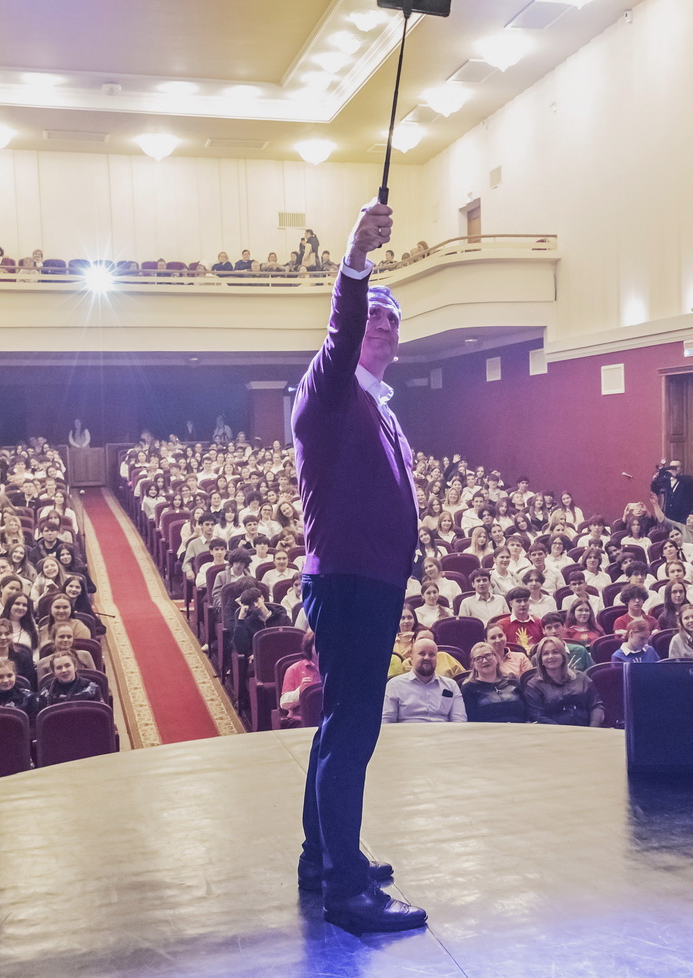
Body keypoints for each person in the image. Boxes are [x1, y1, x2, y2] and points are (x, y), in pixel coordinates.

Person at [290, 199, 424, 931]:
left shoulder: (385, 411)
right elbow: (340, 333)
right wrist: (355, 262)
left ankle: (325, 857)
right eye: (373, 314)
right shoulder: (330, 391)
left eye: (393, 319)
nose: (383, 324)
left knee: (341, 726)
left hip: (370, 582)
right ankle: (347, 891)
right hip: (347, 580)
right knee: (352, 732)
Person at [523, 636, 604, 726]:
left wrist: (593, 728)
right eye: (545, 654)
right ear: (540, 660)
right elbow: (537, 716)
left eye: (555, 652)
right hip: (552, 732)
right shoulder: (534, 686)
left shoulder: (582, 678)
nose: (551, 656)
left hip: (588, 730)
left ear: (563, 656)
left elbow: (596, 706)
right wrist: (563, 732)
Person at [381, 639, 466, 724]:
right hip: (408, 732)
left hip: (443, 732)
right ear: (411, 658)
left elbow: (459, 720)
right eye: (422, 653)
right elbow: (386, 722)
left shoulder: (451, 685)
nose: (427, 658)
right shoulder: (395, 685)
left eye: (432, 654)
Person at [460, 643, 525, 722]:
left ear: (496, 658)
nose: (484, 661)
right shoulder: (468, 689)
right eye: (478, 658)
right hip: (487, 729)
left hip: (520, 728)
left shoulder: (512, 680)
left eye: (488, 655)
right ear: (473, 664)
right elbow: (472, 721)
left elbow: (527, 712)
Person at [232, 586, 292, 659]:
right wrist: (241, 619)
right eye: (251, 604)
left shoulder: (283, 618)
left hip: (280, 657)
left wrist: (262, 653)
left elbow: (290, 643)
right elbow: (241, 649)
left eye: (257, 600)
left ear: (262, 598)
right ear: (248, 608)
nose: (256, 605)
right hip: (258, 661)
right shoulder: (248, 623)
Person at [37, 649, 102, 706]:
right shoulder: (46, 693)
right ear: (54, 672)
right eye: (59, 668)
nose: (64, 670)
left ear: (75, 667)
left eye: (67, 665)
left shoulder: (91, 689)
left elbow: (100, 714)